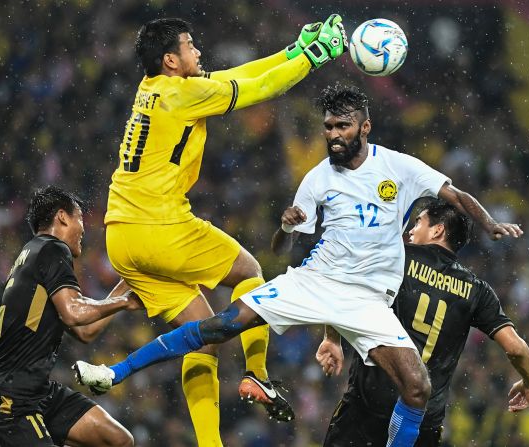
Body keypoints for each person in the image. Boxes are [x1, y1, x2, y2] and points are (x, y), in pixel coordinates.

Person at [73, 84, 522, 447]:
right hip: (315, 280)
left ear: (365, 126)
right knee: (224, 324)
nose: (333, 136)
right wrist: (285, 227)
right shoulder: (318, 177)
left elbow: (454, 195)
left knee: (418, 388)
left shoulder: (399, 168)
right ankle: (114, 372)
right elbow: (286, 241)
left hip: (367, 301)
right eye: (328, 127)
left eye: (342, 126)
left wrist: (489, 222)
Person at [96, 14, 348, 444]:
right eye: (190, 45)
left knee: (203, 337)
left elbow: (236, 75)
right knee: (250, 272)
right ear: (171, 60)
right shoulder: (182, 93)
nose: (198, 51)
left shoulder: (153, 90)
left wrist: (291, 50)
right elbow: (259, 89)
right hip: (161, 224)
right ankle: (258, 375)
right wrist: (313, 58)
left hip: (120, 235)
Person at [318, 199, 529, 447]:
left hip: (367, 409)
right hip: (423, 421)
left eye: (418, 222)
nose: (411, 230)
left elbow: (341, 282)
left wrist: (331, 338)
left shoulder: (396, 258)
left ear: (438, 230)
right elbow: (516, 348)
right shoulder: (478, 291)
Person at [0, 186, 143, 447]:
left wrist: (128, 284)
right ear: (62, 217)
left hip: (37, 391)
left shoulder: (33, 253)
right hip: (11, 399)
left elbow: (84, 330)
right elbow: (73, 313)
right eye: (80, 218)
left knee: (117, 440)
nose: (83, 228)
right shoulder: (52, 249)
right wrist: (123, 301)